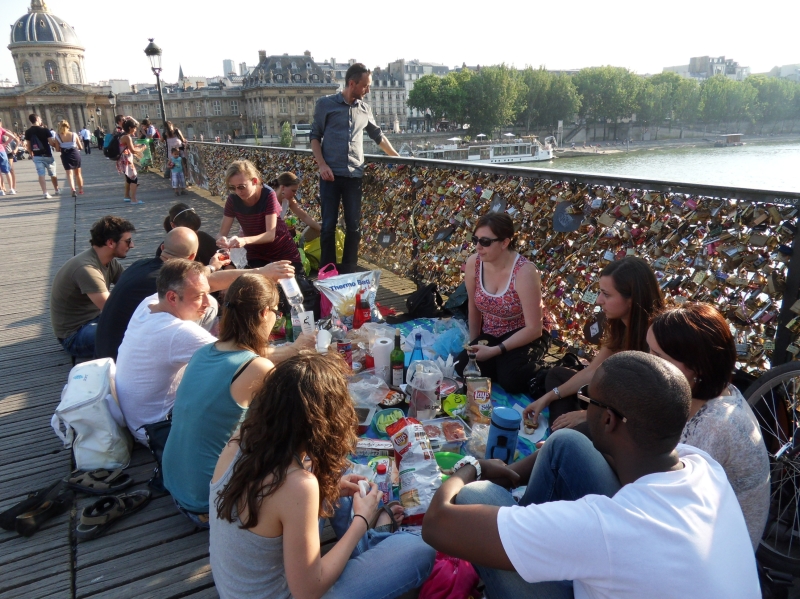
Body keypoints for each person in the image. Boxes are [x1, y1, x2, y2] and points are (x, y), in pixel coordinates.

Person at [422, 352, 761, 599]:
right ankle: (522, 536)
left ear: (609, 419)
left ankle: (519, 542)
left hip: (609, 548)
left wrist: (473, 467)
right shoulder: (702, 465)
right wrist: (513, 473)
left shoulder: (606, 527)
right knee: (564, 442)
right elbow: (579, 439)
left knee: (474, 495)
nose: (583, 409)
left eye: (588, 401)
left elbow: (436, 524)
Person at [210, 353, 436, 599]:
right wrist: (362, 519)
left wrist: (331, 490)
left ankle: (368, 544)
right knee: (419, 551)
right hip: (297, 591)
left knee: (331, 476)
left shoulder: (239, 442)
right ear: (324, 424)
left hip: (238, 589)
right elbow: (308, 591)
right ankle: (372, 539)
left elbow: (274, 509)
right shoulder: (297, 485)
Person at [115, 259, 310, 445]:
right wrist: (295, 348)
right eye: (198, 297)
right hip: (158, 428)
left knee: (211, 309)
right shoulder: (177, 332)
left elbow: (211, 281)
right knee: (254, 395)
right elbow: (242, 357)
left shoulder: (149, 303)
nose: (206, 301)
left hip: (138, 417)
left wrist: (260, 272)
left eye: (205, 293)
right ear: (172, 297)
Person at [648, 303, 770, 549]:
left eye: (659, 357)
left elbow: (663, 495)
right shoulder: (715, 392)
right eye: (647, 351)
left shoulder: (716, 424)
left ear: (698, 366)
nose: (648, 362)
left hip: (714, 552)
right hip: (697, 529)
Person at [163, 274, 280, 524]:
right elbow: (279, 434)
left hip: (175, 485)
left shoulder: (203, 352)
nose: (276, 318)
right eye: (276, 312)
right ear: (264, 313)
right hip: (209, 504)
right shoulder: (257, 367)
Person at [524, 256, 665, 430]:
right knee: (556, 376)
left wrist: (588, 414)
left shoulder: (658, 337)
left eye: (606, 294)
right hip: (607, 399)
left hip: (628, 417)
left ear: (632, 299)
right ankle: (563, 430)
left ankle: (566, 434)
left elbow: (643, 403)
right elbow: (593, 371)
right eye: (600, 292)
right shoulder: (619, 326)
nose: (598, 300)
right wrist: (547, 398)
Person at [310, 62, 400, 273]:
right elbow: (314, 137)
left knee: (354, 226)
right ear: (352, 83)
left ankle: (349, 270)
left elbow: (378, 136)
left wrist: (398, 158)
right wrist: (322, 165)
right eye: (365, 85)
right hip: (330, 175)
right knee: (328, 226)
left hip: (354, 175)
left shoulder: (364, 109)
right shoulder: (326, 104)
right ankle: (328, 271)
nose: (368, 90)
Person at [95, 227, 226, 361]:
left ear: (162, 248)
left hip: (104, 349)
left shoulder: (139, 265)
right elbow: (198, 282)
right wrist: (213, 268)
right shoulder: (168, 282)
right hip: (122, 358)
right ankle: (195, 351)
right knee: (209, 305)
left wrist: (212, 267)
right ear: (192, 257)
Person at [454, 213, 549, 394]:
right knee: (463, 366)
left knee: (511, 380)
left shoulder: (524, 272)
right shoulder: (474, 263)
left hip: (523, 333)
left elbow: (534, 328)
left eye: (485, 242)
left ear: (505, 243)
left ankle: (544, 370)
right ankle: (504, 364)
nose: (478, 247)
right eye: (475, 240)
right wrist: (473, 346)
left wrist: (495, 351)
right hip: (491, 332)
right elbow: (473, 306)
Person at [50, 216, 136, 358]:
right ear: (110, 243)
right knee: (132, 335)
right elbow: (113, 310)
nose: (132, 245)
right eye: (127, 241)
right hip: (74, 335)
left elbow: (130, 288)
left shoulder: (109, 261)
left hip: (95, 319)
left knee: (136, 328)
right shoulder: (87, 269)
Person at [216, 160, 302, 270]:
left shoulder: (268, 194)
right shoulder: (232, 199)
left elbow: (270, 235)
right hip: (255, 253)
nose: (237, 192)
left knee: (291, 282)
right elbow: (221, 234)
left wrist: (244, 240)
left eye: (241, 187)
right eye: (233, 188)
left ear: (254, 181)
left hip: (282, 252)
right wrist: (222, 240)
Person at [270, 172, 321, 240]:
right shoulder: (269, 200)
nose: (295, 194)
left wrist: (322, 230)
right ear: (283, 187)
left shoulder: (288, 200)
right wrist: (282, 225)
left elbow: (304, 217)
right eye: (293, 191)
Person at [24, 113, 60, 199]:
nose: (41, 120)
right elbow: (51, 143)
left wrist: (31, 154)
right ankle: (56, 189)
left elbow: (28, 146)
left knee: (41, 174)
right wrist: (58, 144)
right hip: (47, 154)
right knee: (53, 174)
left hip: (37, 156)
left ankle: (45, 192)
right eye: (40, 119)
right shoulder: (45, 130)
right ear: (37, 119)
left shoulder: (28, 132)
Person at [52, 120, 84, 197]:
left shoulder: (57, 136)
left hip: (65, 155)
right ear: (68, 126)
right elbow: (81, 147)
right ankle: (80, 190)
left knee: (69, 174)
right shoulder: (74, 134)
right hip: (75, 153)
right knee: (78, 173)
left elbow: (57, 149)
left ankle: (73, 189)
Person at [117, 117, 145, 204]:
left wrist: (138, 146)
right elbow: (132, 150)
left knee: (129, 179)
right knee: (134, 178)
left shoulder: (122, 135)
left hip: (122, 159)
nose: (135, 130)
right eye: (134, 128)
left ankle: (127, 197)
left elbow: (129, 147)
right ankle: (134, 200)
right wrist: (142, 148)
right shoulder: (127, 137)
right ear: (130, 128)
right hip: (126, 160)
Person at [0, 118, 20, 195]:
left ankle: (2, 189)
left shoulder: (3, 130)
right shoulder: (2, 130)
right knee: (8, 171)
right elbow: (13, 137)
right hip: (2, 151)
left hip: (6, 152)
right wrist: (4, 144)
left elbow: (15, 139)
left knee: (4, 171)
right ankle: (10, 188)